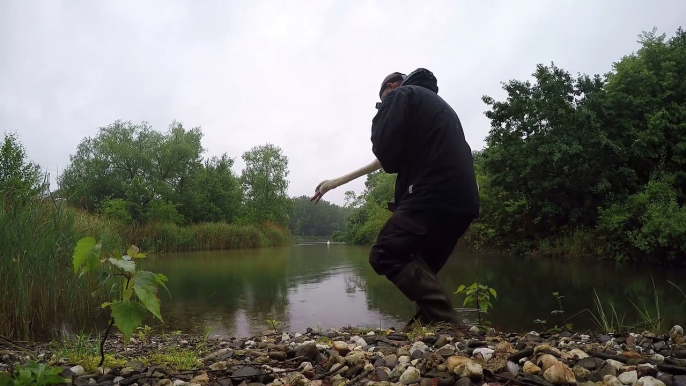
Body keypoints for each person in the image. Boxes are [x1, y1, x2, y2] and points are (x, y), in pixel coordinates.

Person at [313, 68, 479, 330]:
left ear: (390, 87)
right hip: (465, 201)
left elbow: (386, 152)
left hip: (433, 192)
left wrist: (384, 110)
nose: (383, 106)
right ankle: (429, 325)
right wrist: (333, 183)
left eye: (382, 101)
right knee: (420, 266)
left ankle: (449, 325)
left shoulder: (400, 95)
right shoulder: (436, 109)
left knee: (387, 253)